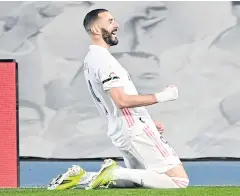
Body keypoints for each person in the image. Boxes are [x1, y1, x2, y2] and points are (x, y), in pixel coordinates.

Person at [47, 8, 189, 190]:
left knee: (139, 181)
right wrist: (163, 96)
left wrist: (147, 122)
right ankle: (114, 172)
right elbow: (121, 100)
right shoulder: (103, 60)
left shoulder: (92, 59)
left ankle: (82, 178)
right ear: (96, 30)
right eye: (110, 21)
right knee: (179, 181)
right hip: (134, 129)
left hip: (123, 129)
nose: (117, 25)